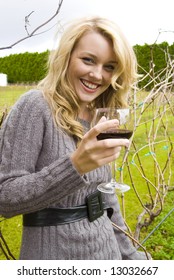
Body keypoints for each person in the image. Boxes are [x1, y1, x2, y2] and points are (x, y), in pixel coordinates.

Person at [0, 16, 151, 260]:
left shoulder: (97, 116)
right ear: (67, 56)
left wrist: (132, 257)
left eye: (110, 66)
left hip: (106, 253)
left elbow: (105, 199)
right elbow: (5, 198)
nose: (97, 74)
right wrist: (75, 166)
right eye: (88, 60)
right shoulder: (35, 106)